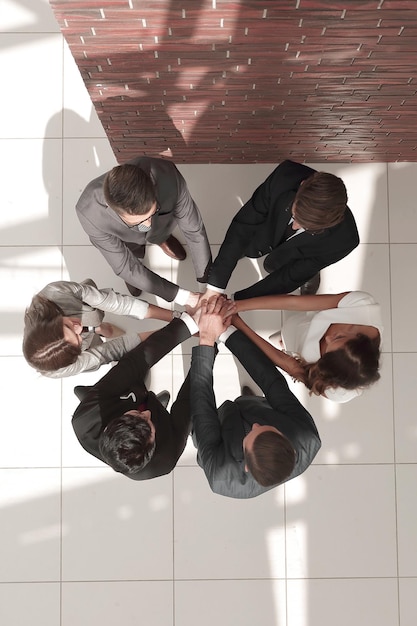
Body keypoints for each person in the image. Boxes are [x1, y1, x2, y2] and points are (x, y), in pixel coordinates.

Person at [190, 296, 321, 499]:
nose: (256, 425)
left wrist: (206, 340)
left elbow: (202, 402)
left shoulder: (220, 474)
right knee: (257, 401)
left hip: (217, 439)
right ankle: (247, 403)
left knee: (200, 417)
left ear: (246, 467)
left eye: (252, 433)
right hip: (256, 408)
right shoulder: (306, 436)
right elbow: (271, 381)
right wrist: (227, 333)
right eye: (266, 428)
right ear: (285, 438)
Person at [203, 159, 359, 301]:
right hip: (265, 232)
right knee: (244, 246)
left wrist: (236, 300)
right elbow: (243, 226)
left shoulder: (344, 241)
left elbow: (288, 278)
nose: (295, 226)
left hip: (303, 254)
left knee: (300, 269)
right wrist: (215, 287)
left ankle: (310, 275)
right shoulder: (285, 177)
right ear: (302, 185)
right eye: (295, 215)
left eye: (306, 227)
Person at [71, 312, 198, 480]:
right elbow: (187, 404)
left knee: (132, 373)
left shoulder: (86, 419)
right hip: (128, 403)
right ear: (153, 446)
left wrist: (189, 325)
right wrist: (207, 348)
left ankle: (142, 399)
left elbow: (135, 362)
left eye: (138, 414)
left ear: (111, 425)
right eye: (149, 424)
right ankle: (148, 403)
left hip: (107, 398)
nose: (148, 414)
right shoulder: (165, 458)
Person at [76, 156, 212, 306]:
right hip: (125, 239)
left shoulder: (167, 174)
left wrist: (205, 286)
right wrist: (185, 297)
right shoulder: (89, 213)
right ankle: (138, 260)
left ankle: (161, 238)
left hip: (163, 226)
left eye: (153, 213)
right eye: (140, 221)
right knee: (131, 260)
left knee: (160, 229)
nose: (148, 224)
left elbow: (194, 230)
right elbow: (124, 267)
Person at [232, 291, 382, 403]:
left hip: (297, 349)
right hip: (302, 323)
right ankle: (283, 336)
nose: (328, 337)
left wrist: (238, 323)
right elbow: (293, 302)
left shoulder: (335, 391)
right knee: (289, 329)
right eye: (339, 337)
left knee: (285, 342)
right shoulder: (363, 306)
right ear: (361, 340)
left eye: (326, 353)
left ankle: (284, 341)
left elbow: (285, 362)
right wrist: (237, 306)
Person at [23, 279, 178, 378]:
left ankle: (99, 327)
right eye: (77, 339)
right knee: (94, 334)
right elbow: (111, 351)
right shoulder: (65, 366)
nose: (78, 328)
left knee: (95, 315)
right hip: (83, 345)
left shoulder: (55, 292)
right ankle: (98, 330)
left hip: (80, 303)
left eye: (67, 326)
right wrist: (175, 330)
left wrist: (175, 316)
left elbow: (117, 303)